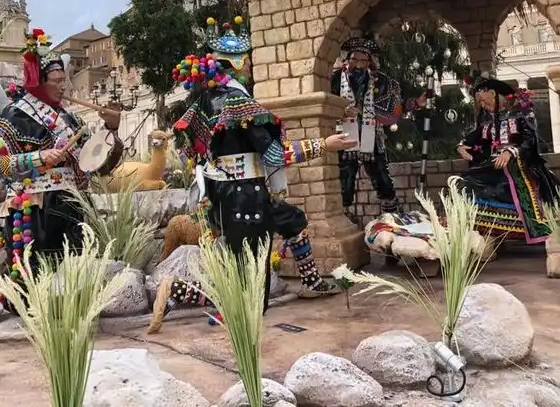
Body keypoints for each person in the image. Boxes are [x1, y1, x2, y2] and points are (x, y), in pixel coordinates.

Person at [147, 17, 357, 334]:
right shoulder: (240, 104)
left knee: (292, 221)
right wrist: (323, 144)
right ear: (237, 64)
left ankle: (311, 281)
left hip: (222, 198)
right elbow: (274, 155)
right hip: (247, 199)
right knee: (251, 299)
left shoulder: (201, 104)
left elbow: (194, 154)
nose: (249, 67)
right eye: (247, 61)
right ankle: (176, 291)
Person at [0, 28, 120, 307]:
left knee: (77, 287)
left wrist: (111, 130)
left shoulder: (70, 120)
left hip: (73, 208)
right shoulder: (13, 116)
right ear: (38, 82)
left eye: (65, 80)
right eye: (57, 81)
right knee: (35, 292)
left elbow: (98, 167)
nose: (64, 87)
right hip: (34, 213)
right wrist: (37, 158)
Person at [455, 77, 560, 243]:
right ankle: (487, 229)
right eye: (480, 103)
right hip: (493, 164)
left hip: (520, 162)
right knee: (465, 182)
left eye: (484, 101)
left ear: (495, 95)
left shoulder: (521, 113)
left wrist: (510, 152)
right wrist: (461, 146)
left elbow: (530, 139)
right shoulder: (487, 119)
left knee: (514, 177)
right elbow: (475, 136)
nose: (483, 106)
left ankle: (534, 225)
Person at [330, 35, 426, 223]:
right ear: (347, 59)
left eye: (363, 59)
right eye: (355, 59)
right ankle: (344, 216)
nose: (359, 64)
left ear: (370, 61)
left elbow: (396, 106)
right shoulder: (333, 80)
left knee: (381, 175)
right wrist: (341, 112)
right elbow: (324, 105)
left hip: (372, 135)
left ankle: (393, 216)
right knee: (345, 177)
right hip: (343, 136)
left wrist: (415, 103)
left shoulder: (381, 81)